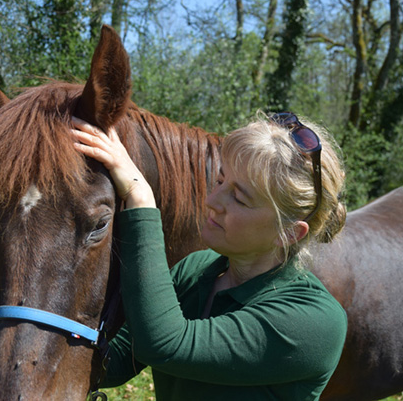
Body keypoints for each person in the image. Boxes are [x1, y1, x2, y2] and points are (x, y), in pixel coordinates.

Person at [70, 111, 347, 401]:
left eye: (239, 198)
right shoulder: (195, 270)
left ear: (289, 233)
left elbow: (166, 345)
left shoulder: (314, 322)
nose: (212, 202)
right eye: (219, 181)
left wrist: (140, 201)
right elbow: (112, 363)